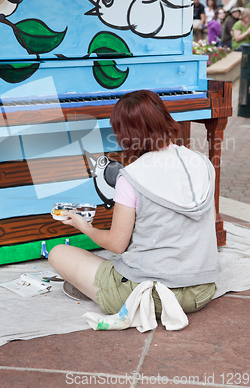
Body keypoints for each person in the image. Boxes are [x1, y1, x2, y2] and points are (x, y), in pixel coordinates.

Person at [48, 90, 218, 318]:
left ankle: (102, 292)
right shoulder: (203, 163)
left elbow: (117, 244)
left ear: (125, 135)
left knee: (59, 253)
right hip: (201, 291)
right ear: (165, 118)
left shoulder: (131, 177)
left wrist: (83, 226)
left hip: (150, 296)